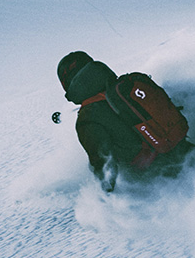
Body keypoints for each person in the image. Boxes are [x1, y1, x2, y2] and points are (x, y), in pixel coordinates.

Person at [57, 51, 153, 192]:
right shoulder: (125, 86)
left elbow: (104, 166)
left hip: (152, 172)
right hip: (176, 146)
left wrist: (105, 196)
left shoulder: (87, 117)